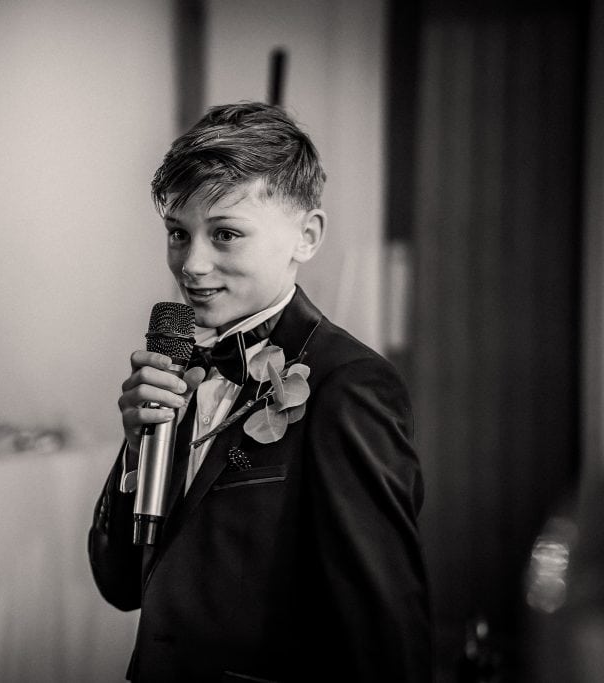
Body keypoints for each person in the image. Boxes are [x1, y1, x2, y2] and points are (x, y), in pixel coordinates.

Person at [88, 102, 431, 681]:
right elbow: (120, 584)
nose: (192, 265)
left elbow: (385, 632)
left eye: (225, 234)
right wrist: (137, 450)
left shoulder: (349, 386)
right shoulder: (180, 368)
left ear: (307, 236)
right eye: (178, 234)